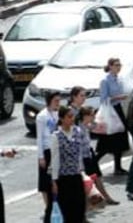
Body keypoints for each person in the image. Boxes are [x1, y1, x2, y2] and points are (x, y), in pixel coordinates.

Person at [49, 105, 89, 223]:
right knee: (67, 211)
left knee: (79, 210)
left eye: (73, 117)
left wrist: (83, 172)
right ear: (62, 118)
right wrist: (54, 181)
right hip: (64, 179)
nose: (72, 119)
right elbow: (55, 160)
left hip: (76, 176)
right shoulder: (56, 136)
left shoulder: (77, 131)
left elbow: (80, 153)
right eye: (69, 117)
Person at [96, 57, 129, 174]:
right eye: (116, 65)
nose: (118, 67)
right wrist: (118, 97)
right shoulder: (105, 81)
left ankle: (118, 166)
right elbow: (103, 99)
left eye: (119, 65)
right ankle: (94, 161)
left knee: (120, 137)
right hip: (110, 110)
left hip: (118, 109)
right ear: (110, 66)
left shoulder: (119, 79)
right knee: (108, 139)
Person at [37, 91, 62, 223]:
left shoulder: (58, 114)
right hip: (46, 150)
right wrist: (41, 156)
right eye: (56, 101)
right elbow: (40, 137)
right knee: (46, 182)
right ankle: (48, 207)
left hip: (56, 149)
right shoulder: (42, 116)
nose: (58, 103)